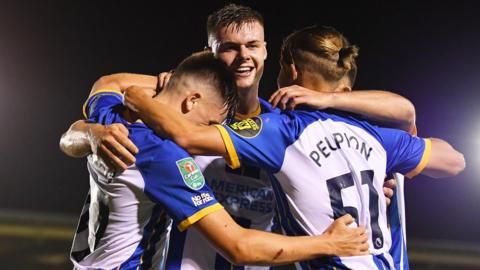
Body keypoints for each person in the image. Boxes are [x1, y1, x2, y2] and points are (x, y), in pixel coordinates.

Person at [61, 4, 416, 269]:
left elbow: (406, 114)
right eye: (229, 47)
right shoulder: (181, 112)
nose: (242, 56)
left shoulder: (284, 129)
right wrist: (92, 133)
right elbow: (102, 92)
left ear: (264, 51)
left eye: (252, 45)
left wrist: (369, 184)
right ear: (210, 53)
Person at [121, 25, 465, 269]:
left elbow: (185, 136)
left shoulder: (280, 131)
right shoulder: (376, 136)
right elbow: (454, 161)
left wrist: (138, 98)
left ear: (289, 68)